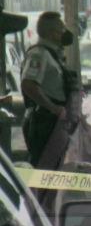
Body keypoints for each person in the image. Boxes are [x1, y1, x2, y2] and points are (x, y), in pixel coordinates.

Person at [20, 12, 73, 167]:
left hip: (53, 121)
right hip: (43, 122)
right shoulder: (39, 55)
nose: (65, 33)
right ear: (52, 33)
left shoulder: (52, 55)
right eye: (61, 29)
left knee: (54, 167)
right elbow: (28, 85)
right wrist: (54, 108)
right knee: (44, 168)